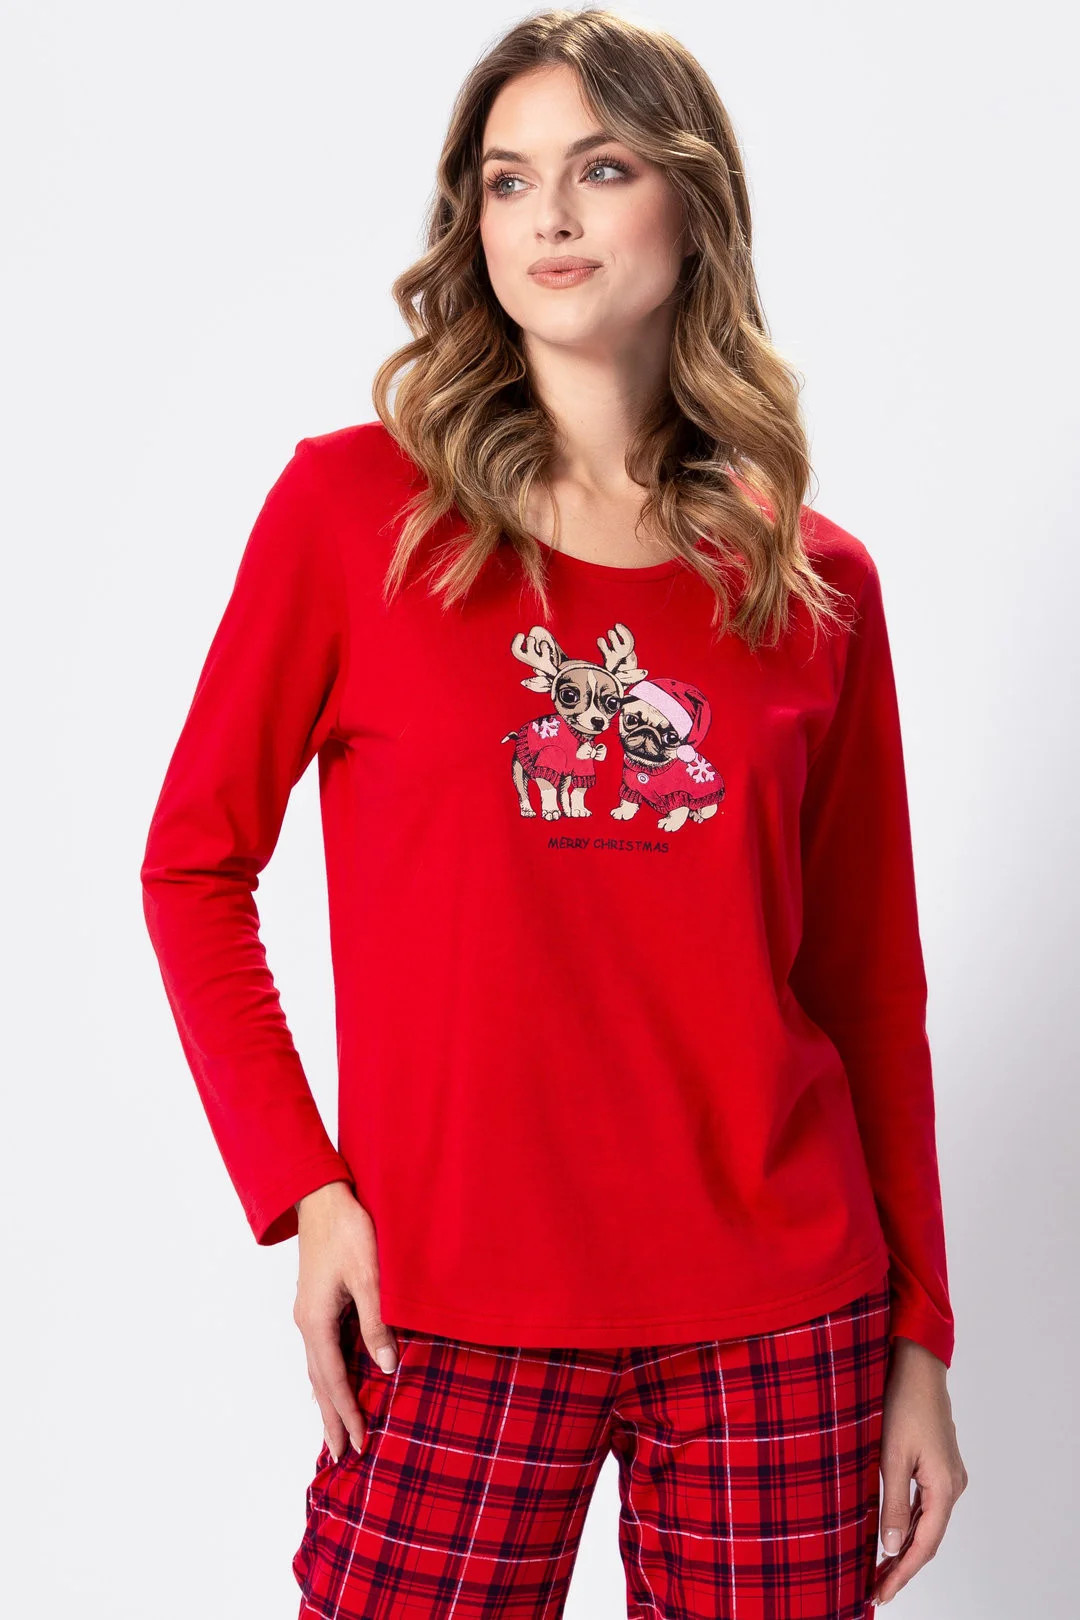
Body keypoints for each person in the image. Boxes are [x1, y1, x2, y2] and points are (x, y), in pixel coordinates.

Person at [139, 9, 968, 1616]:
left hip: (780, 1314)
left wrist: (919, 1338)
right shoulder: (351, 515)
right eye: (509, 181)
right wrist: (307, 1190)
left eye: (602, 168)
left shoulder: (813, 583)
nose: (551, 216)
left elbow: (871, 987)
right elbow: (191, 866)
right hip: (443, 1300)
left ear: (694, 205)